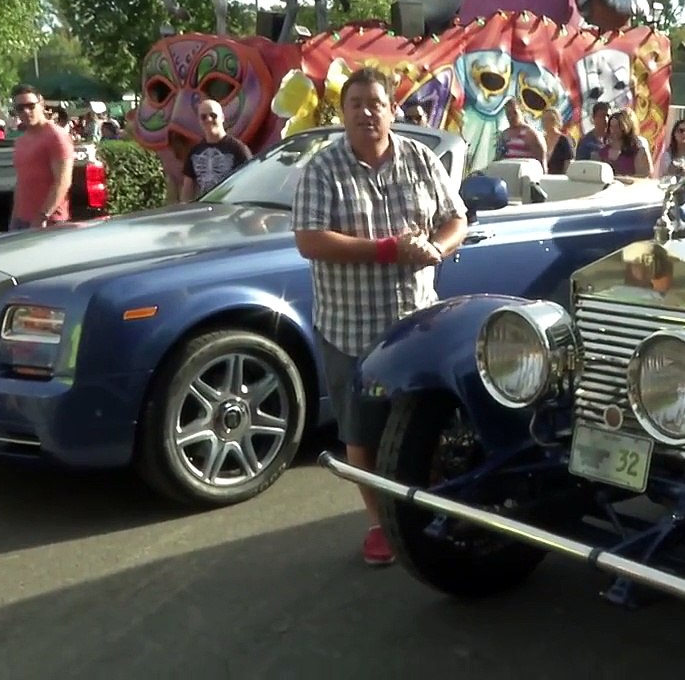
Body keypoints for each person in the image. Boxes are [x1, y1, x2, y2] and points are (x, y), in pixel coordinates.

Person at [291, 67, 468, 566]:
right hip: (352, 331)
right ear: (342, 113)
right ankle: (379, 523)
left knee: (423, 425)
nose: (367, 112)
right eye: (356, 104)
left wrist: (437, 246)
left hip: (417, 325)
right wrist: (389, 249)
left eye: (376, 103)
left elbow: (457, 217)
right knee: (362, 434)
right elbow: (310, 239)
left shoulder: (420, 159)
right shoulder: (323, 169)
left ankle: (427, 510)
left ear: (392, 110)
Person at [9, 84, 75, 231]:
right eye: (20, 108)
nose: (26, 111)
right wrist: (14, 218)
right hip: (21, 220)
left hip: (49, 222)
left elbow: (63, 181)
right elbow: (21, 183)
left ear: (41, 104)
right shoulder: (21, 141)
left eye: (31, 106)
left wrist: (42, 217)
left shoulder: (56, 136)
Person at [180, 99, 253, 203]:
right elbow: (187, 189)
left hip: (230, 209)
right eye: (203, 117)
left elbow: (251, 181)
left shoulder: (238, 149)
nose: (208, 119)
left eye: (213, 115)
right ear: (199, 121)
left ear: (222, 117)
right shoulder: (195, 152)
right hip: (204, 210)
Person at [494, 97, 547, 168]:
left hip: (525, 175)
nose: (511, 116)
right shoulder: (504, 134)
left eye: (515, 113)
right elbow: (498, 158)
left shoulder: (530, 133)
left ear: (521, 111)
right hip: (506, 173)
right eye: (508, 114)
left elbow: (542, 160)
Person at [598, 108, 651, 177]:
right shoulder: (603, 151)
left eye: (617, 126)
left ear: (625, 127)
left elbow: (643, 176)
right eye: (612, 126)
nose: (614, 130)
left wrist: (623, 179)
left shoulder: (637, 152)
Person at [542, 109, 575, 173]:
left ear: (557, 120)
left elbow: (569, 162)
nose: (547, 122)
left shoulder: (564, 140)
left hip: (558, 179)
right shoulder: (541, 139)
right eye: (544, 119)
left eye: (551, 119)